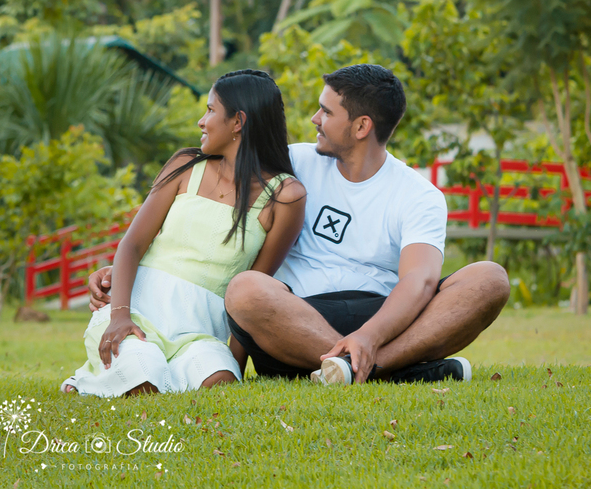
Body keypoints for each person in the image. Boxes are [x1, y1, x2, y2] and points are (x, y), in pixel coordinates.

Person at [89, 64, 509, 385]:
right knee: (246, 289)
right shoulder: (294, 163)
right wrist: (134, 271)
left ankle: (360, 367)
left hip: (383, 314)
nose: (314, 118)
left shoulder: (418, 194)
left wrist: (368, 336)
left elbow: (417, 283)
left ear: (362, 127)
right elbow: (211, 203)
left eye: (326, 111)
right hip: (292, 317)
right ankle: (391, 372)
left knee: (489, 279)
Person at [62, 70, 306, 397]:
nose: (201, 122)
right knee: (143, 381)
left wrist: (232, 365)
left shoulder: (285, 196)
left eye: (210, 110)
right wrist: (119, 316)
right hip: (139, 314)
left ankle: (127, 375)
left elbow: (254, 290)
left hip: (203, 332)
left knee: (218, 385)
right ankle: (88, 380)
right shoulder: (186, 165)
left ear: (238, 122)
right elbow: (133, 244)